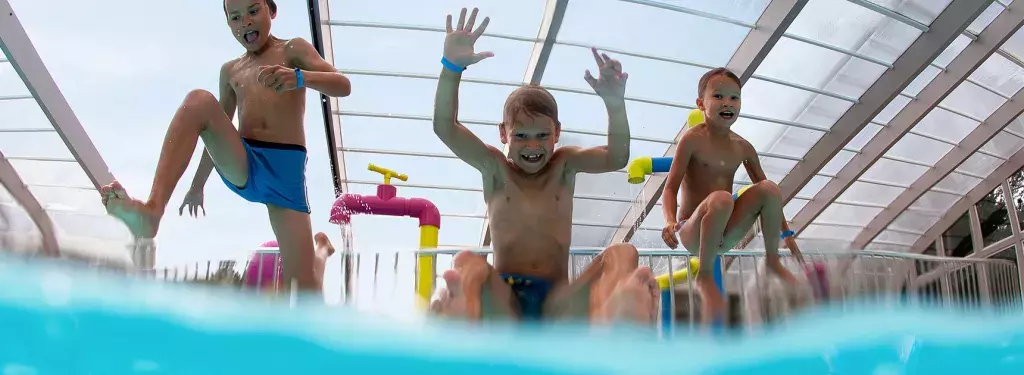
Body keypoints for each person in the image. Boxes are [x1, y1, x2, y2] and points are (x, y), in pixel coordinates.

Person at [99, 0, 350, 293]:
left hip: (285, 175)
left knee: (305, 293)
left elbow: (342, 85)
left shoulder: (292, 50)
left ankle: (321, 248)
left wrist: (298, 77)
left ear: (272, 11)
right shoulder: (231, 71)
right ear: (229, 25)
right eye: (235, 17)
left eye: (253, 11)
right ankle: (152, 212)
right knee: (199, 102)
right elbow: (215, 129)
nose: (245, 22)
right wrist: (196, 185)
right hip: (244, 161)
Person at [427, 8, 659, 324]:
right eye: (521, 135)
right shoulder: (495, 167)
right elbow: (445, 127)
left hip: (557, 303)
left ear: (557, 134)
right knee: (468, 261)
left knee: (623, 253)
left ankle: (617, 313)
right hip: (506, 300)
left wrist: (615, 105)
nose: (533, 146)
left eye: (542, 136)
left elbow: (616, 157)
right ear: (503, 133)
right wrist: (451, 68)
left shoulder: (564, 165)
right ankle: (459, 311)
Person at [661, 67, 805, 326]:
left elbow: (771, 201)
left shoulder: (743, 147)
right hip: (692, 231)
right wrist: (669, 221)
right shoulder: (691, 140)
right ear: (700, 104)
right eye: (718, 96)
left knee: (770, 188)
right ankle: (704, 276)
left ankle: (772, 261)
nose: (727, 103)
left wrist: (787, 236)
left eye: (734, 98)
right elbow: (670, 188)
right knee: (721, 198)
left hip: (725, 232)